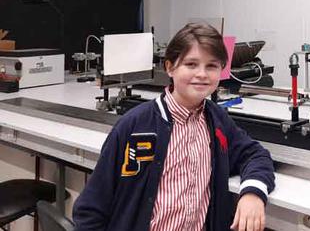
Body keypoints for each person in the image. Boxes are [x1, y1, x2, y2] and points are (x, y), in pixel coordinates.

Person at [73, 23, 275, 231]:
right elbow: (90, 210)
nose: (202, 74)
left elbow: (255, 155)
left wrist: (253, 193)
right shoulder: (134, 127)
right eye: (191, 64)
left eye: (212, 66)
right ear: (170, 67)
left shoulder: (217, 121)